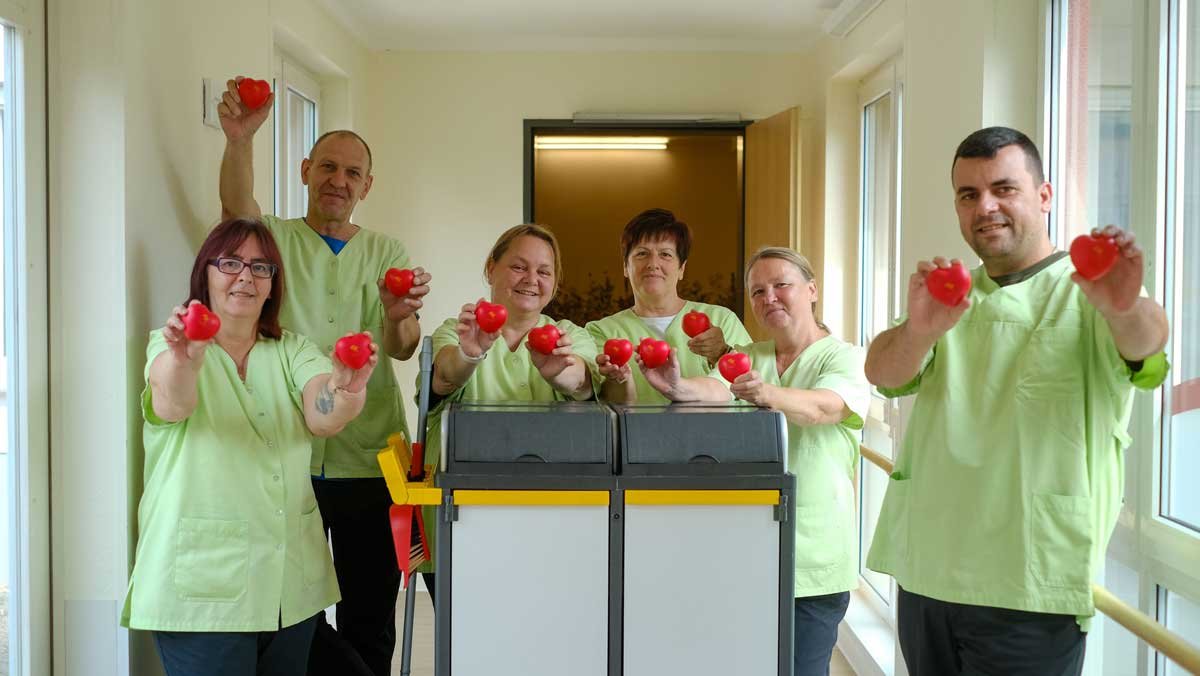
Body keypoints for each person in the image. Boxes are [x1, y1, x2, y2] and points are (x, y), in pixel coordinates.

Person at [863, 127, 1170, 676]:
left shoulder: (1088, 287)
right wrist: (920, 330)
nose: (986, 207)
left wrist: (1124, 308)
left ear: (1044, 196)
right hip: (929, 571)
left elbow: (1145, 348)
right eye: (968, 194)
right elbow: (883, 373)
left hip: (1028, 582)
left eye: (1004, 189)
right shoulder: (950, 293)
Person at [218, 78, 431, 676]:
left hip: (369, 457)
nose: (340, 180)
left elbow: (404, 345)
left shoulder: (388, 250)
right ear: (307, 170)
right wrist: (239, 140)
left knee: (369, 609)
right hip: (287, 452)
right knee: (293, 607)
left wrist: (398, 317)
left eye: (353, 172)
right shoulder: (277, 239)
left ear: (368, 185)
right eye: (328, 167)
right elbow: (236, 210)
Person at [121, 219, 378, 676]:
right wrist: (189, 357)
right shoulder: (169, 345)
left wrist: (345, 386)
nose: (246, 276)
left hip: (288, 589)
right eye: (231, 262)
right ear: (206, 273)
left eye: (261, 267)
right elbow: (173, 402)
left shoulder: (292, 350)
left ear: (273, 286)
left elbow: (322, 414)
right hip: (202, 593)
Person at [640, 246, 870, 676]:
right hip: (748, 550)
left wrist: (766, 394)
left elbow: (823, 408)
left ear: (812, 290)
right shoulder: (753, 354)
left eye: (781, 285)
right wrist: (676, 387)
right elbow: (716, 388)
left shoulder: (845, 357)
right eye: (758, 291)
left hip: (814, 560)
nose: (769, 298)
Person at [586, 208, 751, 404]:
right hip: (635, 435)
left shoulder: (722, 320)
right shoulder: (601, 331)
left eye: (665, 254)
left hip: (710, 435)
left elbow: (746, 387)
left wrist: (721, 352)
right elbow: (606, 403)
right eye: (641, 254)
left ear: (682, 268)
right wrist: (619, 379)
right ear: (625, 266)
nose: (653, 263)